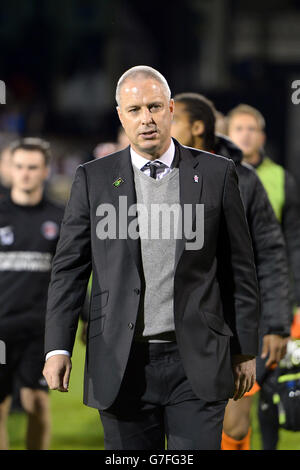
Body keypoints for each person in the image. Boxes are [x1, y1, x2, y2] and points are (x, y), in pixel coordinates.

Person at [43, 65, 259, 451]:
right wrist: (58, 346)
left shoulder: (216, 173)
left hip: (197, 359)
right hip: (121, 360)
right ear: (121, 116)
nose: (147, 119)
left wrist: (244, 350)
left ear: (171, 108)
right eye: (135, 109)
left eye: (155, 107)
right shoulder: (93, 178)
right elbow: (69, 270)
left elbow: (238, 268)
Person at [171, 92, 290, 450]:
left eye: (173, 119)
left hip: (235, 319)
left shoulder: (245, 179)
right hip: (181, 320)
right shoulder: (161, 174)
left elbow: (270, 252)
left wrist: (278, 323)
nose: (163, 125)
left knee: (235, 426)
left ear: (197, 128)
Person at [227, 104, 300, 449]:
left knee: (273, 389)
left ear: (262, 136)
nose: (245, 135)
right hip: (235, 299)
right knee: (236, 398)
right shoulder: (219, 173)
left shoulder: (281, 178)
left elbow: (290, 245)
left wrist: (290, 302)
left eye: (251, 129)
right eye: (238, 128)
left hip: (271, 297)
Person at [0, 138, 64, 450]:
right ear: (9, 169)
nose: (25, 173)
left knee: (37, 402)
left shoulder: (60, 216)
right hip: (1, 327)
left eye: (33, 167)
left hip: (40, 329)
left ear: (45, 171)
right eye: (20, 167)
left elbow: (71, 276)